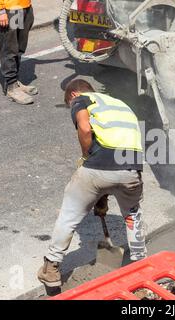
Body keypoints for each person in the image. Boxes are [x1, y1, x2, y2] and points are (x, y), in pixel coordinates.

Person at [37, 79, 146, 287]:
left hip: (98, 166)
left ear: (73, 96)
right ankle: (140, 264)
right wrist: (102, 195)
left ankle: (51, 269)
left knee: (69, 215)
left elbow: (85, 129)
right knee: (133, 214)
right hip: (131, 170)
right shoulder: (120, 105)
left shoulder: (82, 100)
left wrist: (86, 156)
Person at [0, 0, 37, 105]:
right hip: (10, 8)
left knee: (19, 47)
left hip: (23, 6)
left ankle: (15, 82)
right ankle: (11, 87)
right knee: (9, 48)